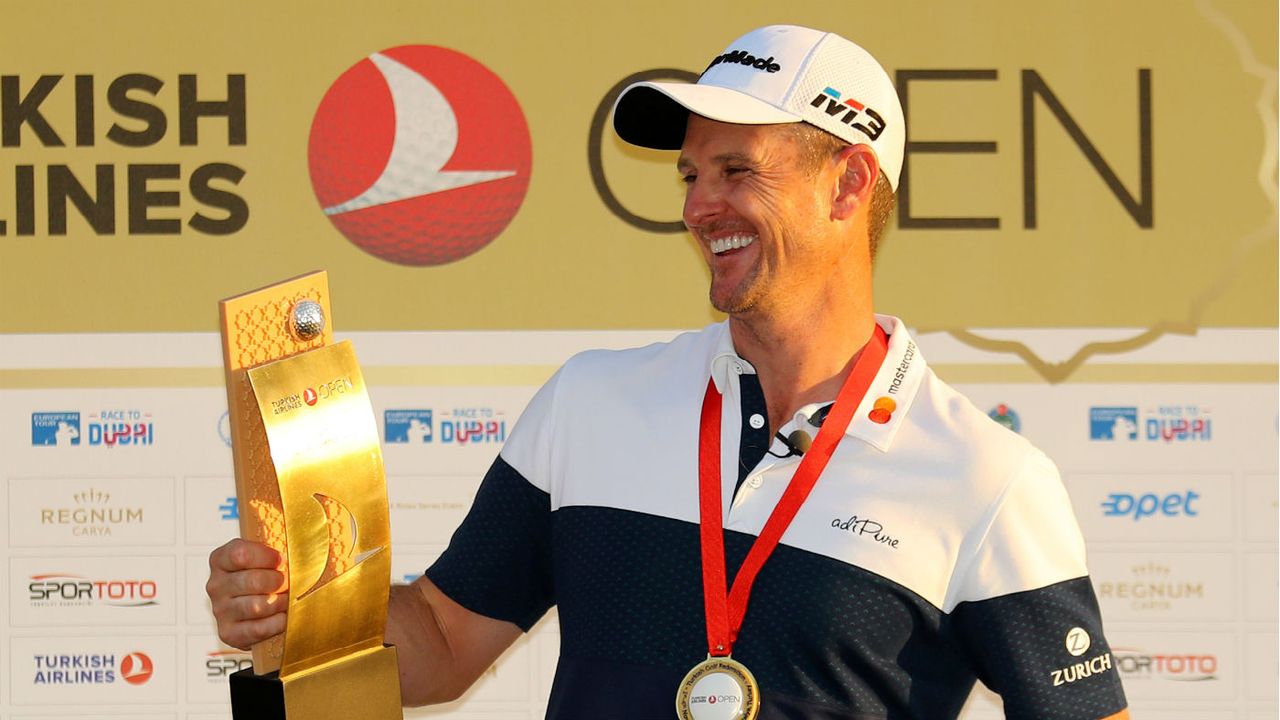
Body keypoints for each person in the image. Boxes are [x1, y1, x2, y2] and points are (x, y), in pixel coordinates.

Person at [208, 24, 1130, 719]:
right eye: (690, 175)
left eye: (736, 170)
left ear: (849, 184)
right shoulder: (592, 403)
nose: (699, 206)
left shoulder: (986, 479)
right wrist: (305, 618)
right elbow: (443, 642)